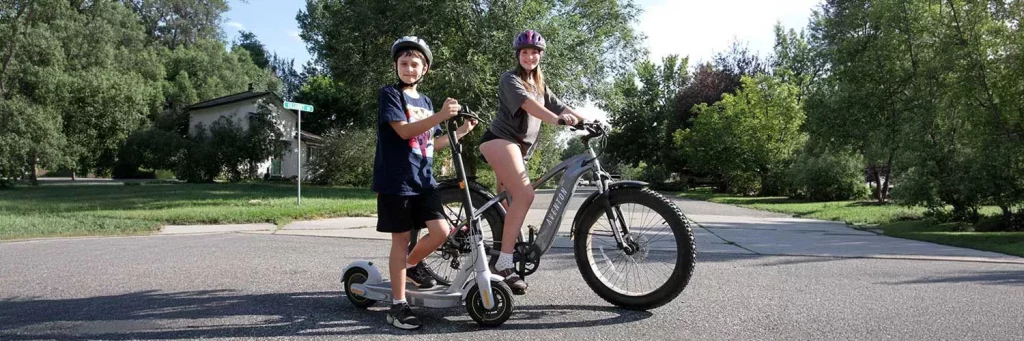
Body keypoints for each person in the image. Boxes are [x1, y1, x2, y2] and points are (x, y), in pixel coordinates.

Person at [373, 36, 477, 330]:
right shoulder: (391, 95)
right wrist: (441, 116)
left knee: (441, 231)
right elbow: (405, 132)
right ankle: (397, 304)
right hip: (397, 181)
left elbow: (428, 144)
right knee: (401, 240)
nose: (408, 68)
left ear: (424, 69)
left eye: (414, 64)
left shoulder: (426, 101)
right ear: (396, 66)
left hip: (424, 180)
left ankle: (408, 266)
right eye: (403, 63)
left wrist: (461, 131)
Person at [478, 30, 588, 295]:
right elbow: (528, 105)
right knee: (525, 196)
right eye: (524, 52)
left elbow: (561, 106)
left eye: (534, 52)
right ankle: (505, 264)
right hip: (500, 140)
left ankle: (502, 263)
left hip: (517, 149)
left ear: (540, 55)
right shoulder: (510, 79)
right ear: (518, 55)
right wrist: (557, 120)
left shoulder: (540, 83)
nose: (529, 56)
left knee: (508, 206)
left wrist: (587, 122)